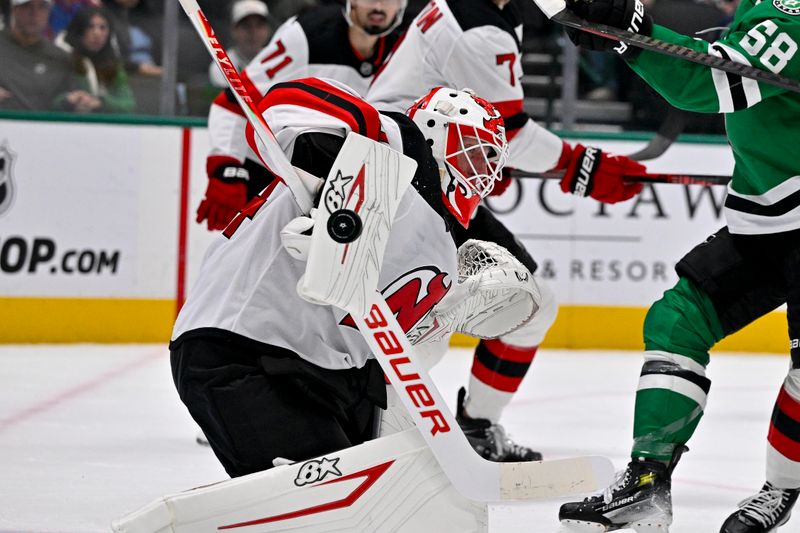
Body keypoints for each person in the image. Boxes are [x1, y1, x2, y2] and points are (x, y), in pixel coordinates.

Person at [171, 78, 510, 490]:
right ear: (435, 133)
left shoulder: (440, 244)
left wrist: (446, 314)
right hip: (242, 347)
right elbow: (280, 107)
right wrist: (338, 183)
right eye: (474, 151)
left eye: (490, 160)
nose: (483, 173)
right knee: (332, 507)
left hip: (333, 374)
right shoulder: (396, 150)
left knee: (385, 504)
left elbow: (385, 346)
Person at [365, 0, 649, 461]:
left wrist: (484, 158)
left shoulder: (477, 10)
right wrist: (581, 166)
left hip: (408, 172)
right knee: (517, 306)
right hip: (413, 187)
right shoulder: (482, 29)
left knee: (514, 303)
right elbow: (512, 132)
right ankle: (400, 425)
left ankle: (401, 422)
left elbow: (477, 118)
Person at [554, 0, 800, 531]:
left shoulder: (790, 14)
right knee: (677, 321)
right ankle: (645, 486)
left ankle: (779, 489)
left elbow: (707, 83)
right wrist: (626, 36)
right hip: (767, 215)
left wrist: (634, 29)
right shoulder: (760, 7)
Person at [198, 0, 405, 232]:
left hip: (338, 180)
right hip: (272, 173)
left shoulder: (405, 48)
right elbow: (233, 104)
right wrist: (227, 167)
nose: (378, 6)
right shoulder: (305, 36)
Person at [0, 0, 100, 111]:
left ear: (49, 12)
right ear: (14, 9)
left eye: (41, 7)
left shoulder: (63, 59)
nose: (34, 13)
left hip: (46, 126)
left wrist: (77, 101)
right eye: (26, 6)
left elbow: (71, 101)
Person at [55, 5, 135, 113]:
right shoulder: (61, 58)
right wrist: (68, 101)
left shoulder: (112, 64)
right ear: (79, 30)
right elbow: (48, 100)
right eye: (90, 27)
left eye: (102, 28)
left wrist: (101, 103)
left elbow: (128, 105)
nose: (97, 33)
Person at [208, 0, 274, 89]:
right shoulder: (221, 66)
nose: (253, 32)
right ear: (233, 30)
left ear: (268, 30)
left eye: (259, 25)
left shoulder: (276, 60)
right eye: (246, 26)